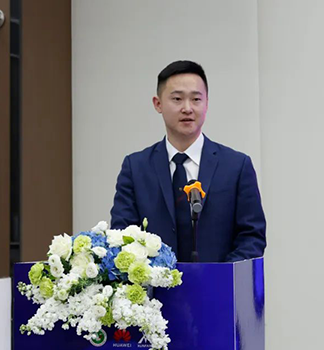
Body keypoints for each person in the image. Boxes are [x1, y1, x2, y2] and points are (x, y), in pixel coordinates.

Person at [110, 60, 266, 262]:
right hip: (155, 281)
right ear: (158, 104)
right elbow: (122, 235)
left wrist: (219, 275)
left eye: (196, 99)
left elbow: (252, 237)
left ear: (207, 103)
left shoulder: (236, 166)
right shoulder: (136, 168)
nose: (187, 108)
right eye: (177, 99)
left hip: (217, 281)